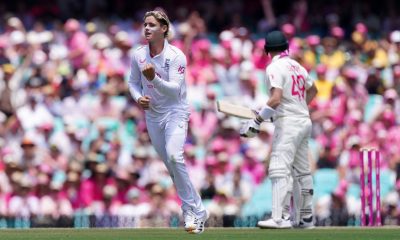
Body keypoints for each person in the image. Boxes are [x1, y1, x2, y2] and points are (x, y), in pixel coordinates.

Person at [127, 10, 208, 234]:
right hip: (152, 115)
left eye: (152, 25)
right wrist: (138, 98)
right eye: (145, 24)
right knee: (172, 169)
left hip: (175, 112)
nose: (147, 28)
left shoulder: (176, 56)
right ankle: (194, 210)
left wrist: (154, 79)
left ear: (164, 29)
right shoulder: (138, 55)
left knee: (175, 156)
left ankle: (193, 212)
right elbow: (133, 82)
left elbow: (174, 91)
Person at [240, 30, 318, 229]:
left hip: (289, 123)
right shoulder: (298, 66)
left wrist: (257, 121)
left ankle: (279, 218)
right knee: (302, 171)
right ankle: (305, 218)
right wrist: (296, 108)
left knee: (278, 168)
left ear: (266, 50)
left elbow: (275, 98)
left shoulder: (274, 67)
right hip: (304, 121)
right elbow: (313, 90)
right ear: (287, 48)